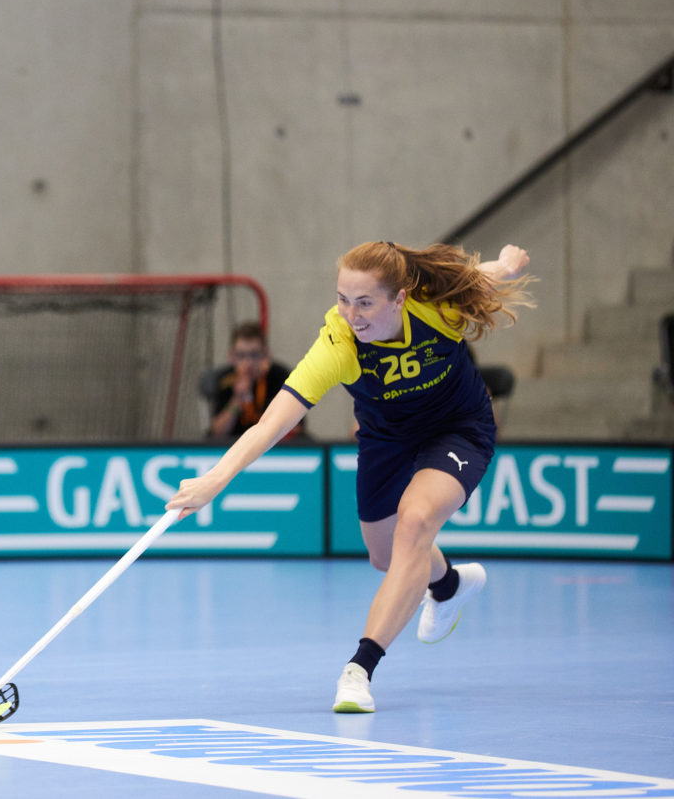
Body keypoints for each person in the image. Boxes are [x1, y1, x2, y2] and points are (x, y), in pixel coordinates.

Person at [166, 240, 533, 714]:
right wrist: (214, 481)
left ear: (400, 298)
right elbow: (271, 423)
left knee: (415, 522)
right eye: (342, 299)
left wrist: (507, 264)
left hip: (457, 428)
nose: (351, 314)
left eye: (364, 302)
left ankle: (359, 669)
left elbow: (483, 275)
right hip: (386, 438)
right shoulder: (338, 343)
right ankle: (447, 585)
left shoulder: (438, 307)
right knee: (386, 556)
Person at [203, 321, 305, 441]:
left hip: (273, 444)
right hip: (233, 444)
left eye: (254, 355)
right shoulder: (225, 380)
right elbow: (217, 432)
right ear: (231, 357)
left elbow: (296, 428)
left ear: (266, 355)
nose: (248, 363)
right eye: (241, 355)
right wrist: (237, 399)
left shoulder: (280, 376)